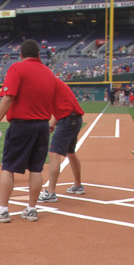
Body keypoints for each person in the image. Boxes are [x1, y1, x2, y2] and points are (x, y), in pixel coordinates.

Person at [0, 39, 57, 223]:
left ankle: (2, 210)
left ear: (21, 55)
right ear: (39, 55)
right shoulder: (49, 72)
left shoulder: (18, 68)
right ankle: (32, 209)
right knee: (36, 168)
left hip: (22, 125)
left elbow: (8, 97)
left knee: (8, 167)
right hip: (42, 126)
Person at [39, 77, 85, 205]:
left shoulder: (48, 83)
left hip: (67, 120)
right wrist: (53, 123)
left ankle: (51, 192)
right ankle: (78, 186)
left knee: (53, 153)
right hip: (74, 118)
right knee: (70, 152)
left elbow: (50, 106)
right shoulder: (55, 83)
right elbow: (63, 106)